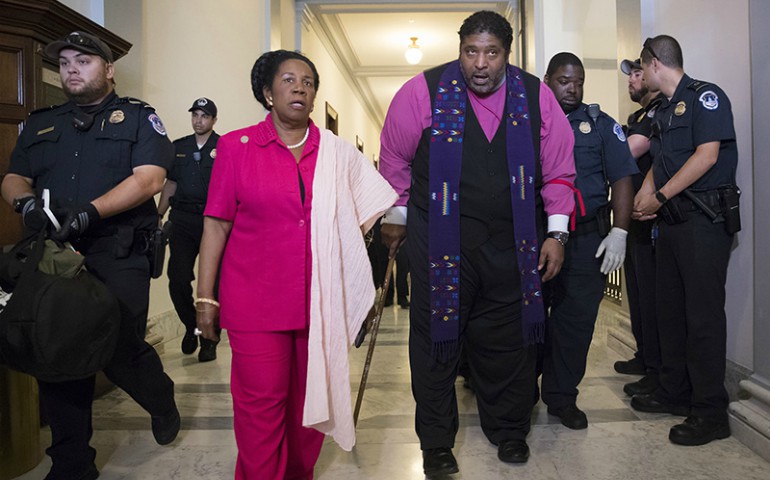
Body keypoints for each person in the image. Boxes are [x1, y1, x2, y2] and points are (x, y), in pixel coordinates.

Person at [378, 11, 576, 475]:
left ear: (507, 54)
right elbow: (394, 159)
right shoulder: (422, 92)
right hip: (442, 244)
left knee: (508, 342)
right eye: (471, 52)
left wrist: (558, 232)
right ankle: (436, 445)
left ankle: (509, 430)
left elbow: (560, 169)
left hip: (515, 244)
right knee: (436, 344)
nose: (480, 64)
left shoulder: (535, 95)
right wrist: (396, 216)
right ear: (460, 50)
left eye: (492, 53)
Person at [194, 49, 397, 479]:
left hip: (318, 303)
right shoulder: (237, 147)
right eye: (288, 80)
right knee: (261, 406)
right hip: (255, 303)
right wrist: (205, 297)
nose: (300, 87)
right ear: (267, 93)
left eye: (307, 81)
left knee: (312, 406)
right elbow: (215, 226)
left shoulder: (336, 154)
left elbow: (370, 205)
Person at [1, 31, 179, 480]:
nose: (72, 69)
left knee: (119, 348)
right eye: (64, 63)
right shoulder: (42, 123)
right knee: (57, 348)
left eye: (84, 60)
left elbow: (150, 179)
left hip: (117, 252)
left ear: (109, 69)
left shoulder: (139, 118)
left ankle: (159, 397)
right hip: (56, 256)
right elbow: (13, 177)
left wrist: (88, 214)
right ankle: (73, 462)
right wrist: (24, 203)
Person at [631, 35, 739, 446]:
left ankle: (710, 412)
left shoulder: (705, 97)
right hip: (673, 224)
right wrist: (643, 197)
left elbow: (706, 155)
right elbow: (661, 160)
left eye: (643, 68)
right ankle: (675, 392)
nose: (641, 76)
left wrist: (658, 196)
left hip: (703, 222)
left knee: (703, 318)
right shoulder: (662, 112)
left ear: (656, 63)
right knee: (669, 311)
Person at [540, 52, 637, 430]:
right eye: (565, 80)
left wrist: (620, 231)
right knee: (526, 318)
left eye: (578, 81)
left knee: (575, 322)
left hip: (585, 239)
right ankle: (518, 391)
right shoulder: (528, 121)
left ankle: (562, 397)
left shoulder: (599, 126)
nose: (573, 88)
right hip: (538, 237)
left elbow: (623, 177)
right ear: (548, 80)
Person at [158, 97, 221, 361]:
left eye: (204, 116)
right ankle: (191, 325)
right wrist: (158, 215)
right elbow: (170, 184)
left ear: (213, 120)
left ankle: (210, 339)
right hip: (182, 220)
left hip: (212, 222)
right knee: (178, 278)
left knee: (213, 285)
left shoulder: (224, 147)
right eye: (195, 115)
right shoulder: (179, 147)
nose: (198, 120)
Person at [615, 58, 663, 396]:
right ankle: (644, 355)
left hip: (651, 218)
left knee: (652, 294)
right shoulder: (636, 118)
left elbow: (630, 151)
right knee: (636, 289)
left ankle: (657, 367)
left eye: (636, 73)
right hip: (632, 216)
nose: (631, 81)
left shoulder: (660, 111)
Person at [368, 217, 410, 308]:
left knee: (403, 261)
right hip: (379, 219)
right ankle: (387, 295)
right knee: (383, 261)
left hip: (401, 217)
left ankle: (402, 296)